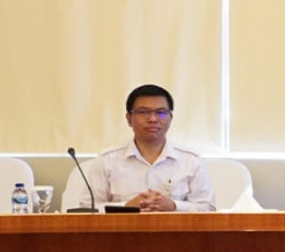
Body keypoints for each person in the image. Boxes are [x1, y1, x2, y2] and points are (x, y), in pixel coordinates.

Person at [84, 84, 215, 212]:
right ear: (129, 119)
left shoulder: (191, 160)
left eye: (161, 113)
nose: (153, 119)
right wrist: (126, 207)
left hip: (173, 227)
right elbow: (86, 209)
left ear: (170, 118)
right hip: (123, 227)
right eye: (143, 112)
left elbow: (207, 209)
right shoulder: (107, 160)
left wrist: (174, 206)